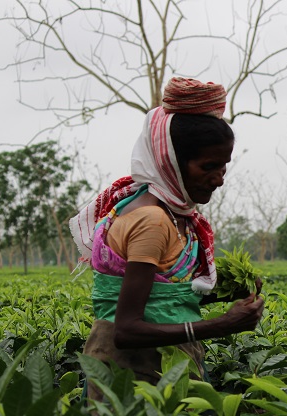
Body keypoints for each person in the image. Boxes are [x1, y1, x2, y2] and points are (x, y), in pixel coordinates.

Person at [70, 78, 264, 401]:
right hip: (132, 379)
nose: (218, 179)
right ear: (171, 160)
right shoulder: (152, 221)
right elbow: (127, 328)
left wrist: (229, 294)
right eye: (208, 166)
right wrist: (222, 325)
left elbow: (159, 300)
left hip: (158, 371)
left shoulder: (171, 213)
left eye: (224, 166)